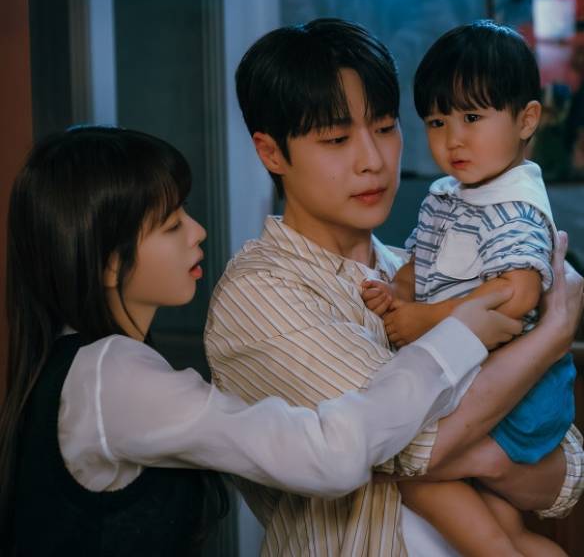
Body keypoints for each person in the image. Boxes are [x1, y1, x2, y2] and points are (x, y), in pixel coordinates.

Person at [0, 125, 524, 557]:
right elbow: (331, 455)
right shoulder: (110, 375)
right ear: (111, 264)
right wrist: (457, 337)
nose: (198, 231)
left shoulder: (85, 368)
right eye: (171, 224)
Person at [204, 18, 584, 556]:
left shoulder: (424, 269)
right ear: (271, 153)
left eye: (385, 128)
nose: (373, 161)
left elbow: (564, 469)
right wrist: (550, 337)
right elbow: (404, 450)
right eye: (337, 139)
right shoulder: (262, 294)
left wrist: (491, 454)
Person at [362, 20, 578, 556]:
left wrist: (424, 319)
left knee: (416, 476)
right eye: (437, 122)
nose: (452, 138)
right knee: (502, 524)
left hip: (520, 394)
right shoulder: (450, 194)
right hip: (483, 382)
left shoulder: (514, 204)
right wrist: (396, 291)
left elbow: (517, 295)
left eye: (472, 117)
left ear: (527, 119)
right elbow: (421, 263)